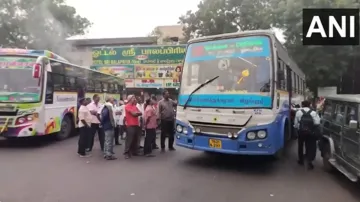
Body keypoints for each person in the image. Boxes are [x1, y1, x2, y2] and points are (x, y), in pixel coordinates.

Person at [294, 100, 321, 170]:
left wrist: (297, 128)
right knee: (310, 146)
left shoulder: (298, 112)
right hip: (311, 132)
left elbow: (296, 124)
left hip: (301, 132)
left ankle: (301, 160)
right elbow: (317, 123)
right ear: (310, 105)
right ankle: (309, 161)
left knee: (300, 145)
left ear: (302, 105)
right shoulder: (314, 112)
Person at [124, 95, 142, 159]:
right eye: (133, 98)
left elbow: (140, 113)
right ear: (129, 99)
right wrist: (136, 113)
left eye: (134, 98)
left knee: (135, 139)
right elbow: (134, 114)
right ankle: (126, 152)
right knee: (129, 139)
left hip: (136, 124)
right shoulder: (127, 106)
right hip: (130, 125)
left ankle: (134, 151)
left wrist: (136, 113)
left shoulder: (134, 106)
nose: (134, 99)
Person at [100, 96, 117, 160]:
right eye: (112, 98)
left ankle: (106, 153)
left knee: (107, 140)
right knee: (109, 140)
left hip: (108, 125)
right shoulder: (108, 107)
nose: (113, 99)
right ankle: (108, 154)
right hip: (108, 125)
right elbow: (104, 116)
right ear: (109, 100)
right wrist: (101, 123)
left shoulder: (109, 106)